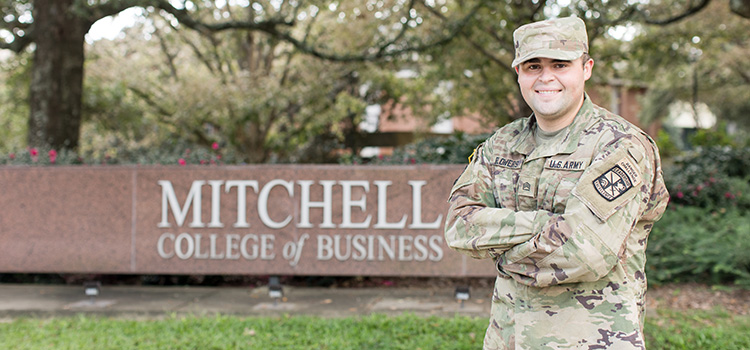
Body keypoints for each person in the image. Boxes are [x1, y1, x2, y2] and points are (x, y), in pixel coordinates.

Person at [444, 16, 669, 349]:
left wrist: (501, 252)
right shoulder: (502, 143)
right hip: (508, 337)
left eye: (560, 64)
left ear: (586, 68)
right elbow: (458, 226)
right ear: (519, 73)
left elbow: (585, 253)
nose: (546, 77)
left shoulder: (620, 146)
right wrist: (547, 225)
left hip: (592, 339)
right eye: (533, 66)